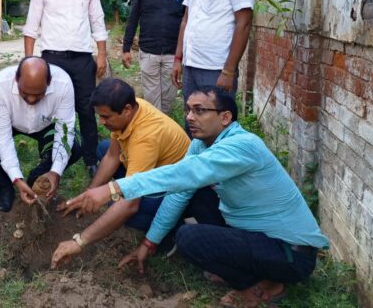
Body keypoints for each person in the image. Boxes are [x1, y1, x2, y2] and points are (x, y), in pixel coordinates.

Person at [63, 87, 329, 308]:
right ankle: (245, 265)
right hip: (254, 232)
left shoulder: (242, 146)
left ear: (225, 118)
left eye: (200, 110)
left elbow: (181, 173)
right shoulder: (201, 144)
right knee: (194, 193)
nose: (190, 116)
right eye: (189, 109)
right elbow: (179, 193)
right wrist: (148, 244)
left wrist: (112, 189)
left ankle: (264, 284)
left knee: (189, 238)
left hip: (290, 253)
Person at [50, 78, 190, 268]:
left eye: (106, 117)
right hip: (154, 168)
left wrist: (79, 241)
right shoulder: (132, 109)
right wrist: (89, 194)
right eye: (99, 116)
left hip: (176, 190)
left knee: (123, 210)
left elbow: (130, 204)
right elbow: (112, 155)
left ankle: (171, 232)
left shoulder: (146, 137)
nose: (101, 121)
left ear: (126, 110)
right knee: (104, 148)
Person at [23, 0, 108, 177]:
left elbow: (98, 23)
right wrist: (29, 62)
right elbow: (31, 28)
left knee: (87, 110)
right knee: (49, 108)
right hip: (52, 59)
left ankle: (91, 159)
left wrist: (101, 55)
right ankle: (50, 156)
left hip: (82, 60)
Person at [0, 57, 82, 212]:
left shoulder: (63, 84)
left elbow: (65, 130)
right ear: (16, 79)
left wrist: (56, 172)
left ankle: (38, 177)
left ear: (49, 82)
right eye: (25, 93)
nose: (31, 99)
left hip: (45, 123)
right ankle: (5, 186)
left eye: (39, 95)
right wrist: (16, 178)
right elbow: (2, 136)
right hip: (7, 121)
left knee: (76, 147)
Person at [122, 0, 186, 114]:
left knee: (168, 99)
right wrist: (126, 48)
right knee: (152, 100)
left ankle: (163, 132)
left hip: (174, 55)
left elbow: (189, 20)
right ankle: (156, 131)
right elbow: (132, 20)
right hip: (149, 53)